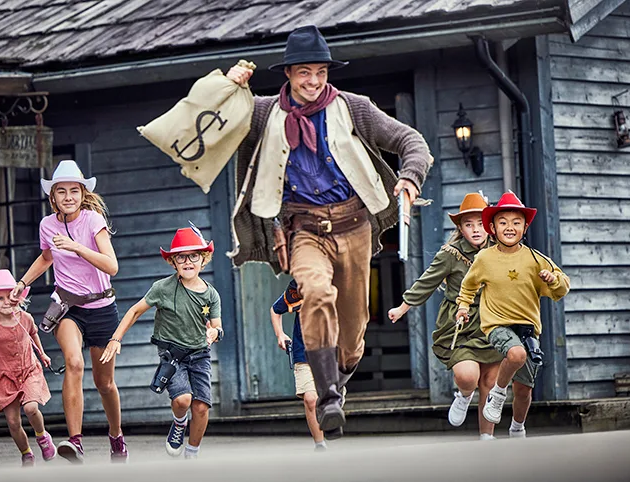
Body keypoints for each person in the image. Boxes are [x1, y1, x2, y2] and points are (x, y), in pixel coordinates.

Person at [217, 25, 433, 438]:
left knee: (353, 336)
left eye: (320, 71)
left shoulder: (353, 107)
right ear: (288, 74)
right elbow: (208, 126)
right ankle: (329, 396)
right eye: (303, 72)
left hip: (354, 227)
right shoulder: (262, 113)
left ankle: (342, 374)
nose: (313, 81)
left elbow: (412, 141)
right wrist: (228, 87)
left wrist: (409, 178)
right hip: (303, 229)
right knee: (314, 292)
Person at [10, 160, 127, 463]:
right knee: (74, 363)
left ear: (82, 193)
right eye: (61, 192)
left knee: (105, 384)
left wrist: (77, 247)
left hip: (102, 306)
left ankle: (116, 436)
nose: (68, 197)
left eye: (74, 191)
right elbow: (47, 258)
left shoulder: (93, 220)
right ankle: (75, 442)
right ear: (53, 197)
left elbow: (112, 266)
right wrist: (22, 283)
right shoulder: (47, 225)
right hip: (67, 306)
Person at [100, 225, 223, 460]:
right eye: (181, 257)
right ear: (173, 262)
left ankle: (192, 453)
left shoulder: (211, 294)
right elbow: (135, 311)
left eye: (194, 256)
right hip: (173, 355)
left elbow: (216, 324)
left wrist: (214, 332)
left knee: (201, 407)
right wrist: (116, 338)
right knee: (183, 400)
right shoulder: (163, 288)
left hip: (200, 354)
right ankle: (179, 423)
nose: (188, 261)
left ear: (203, 260)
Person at [388, 192, 502, 440]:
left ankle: (487, 438)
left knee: (490, 383)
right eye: (468, 224)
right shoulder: (451, 254)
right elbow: (426, 282)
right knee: (468, 376)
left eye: (480, 223)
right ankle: (463, 394)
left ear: (489, 225)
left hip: (493, 322)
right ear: (460, 228)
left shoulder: (500, 250)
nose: (475, 230)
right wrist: (402, 307)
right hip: (461, 324)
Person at [456, 191, 570, 438]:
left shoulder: (535, 259)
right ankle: (497, 393)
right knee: (516, 354)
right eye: (503, 222)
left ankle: (517, 427)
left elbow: (562, 287)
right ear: (493, 228)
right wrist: (463, 307)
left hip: (528, 329)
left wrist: (553, 279)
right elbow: (468, 286)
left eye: (516, 222)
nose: (510, 227)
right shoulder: (484, 258)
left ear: (525, 226)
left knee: (524, 390)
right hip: (497, 325)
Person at [0, 269, 55, 467]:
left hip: (29, 371)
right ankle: (26, 452)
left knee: (31, 407)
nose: (5, 302)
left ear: (17, 297)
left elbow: (33, 335)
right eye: (0, 298)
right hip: (4, 378)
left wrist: (42, 354)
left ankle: (42, 436)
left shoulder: (25, 318)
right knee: (13, 422)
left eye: (9, 296)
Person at [270, 279, 328, 450]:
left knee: (330, 398)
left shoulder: (340, 280)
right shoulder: (299, 284)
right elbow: (275, 310)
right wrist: (280, 334)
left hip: (332, 352)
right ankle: (320, 445)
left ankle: (334, 405)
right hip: (304, 351)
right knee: (311, 399)